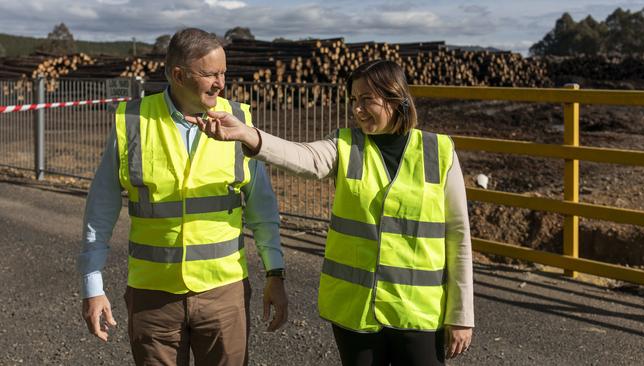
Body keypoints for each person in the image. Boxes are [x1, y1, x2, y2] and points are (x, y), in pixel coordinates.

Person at [187, 59, 474, 365]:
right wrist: (248, 135)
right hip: (356, 313)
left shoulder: (439, 153)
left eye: (367, 100)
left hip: (418, 313)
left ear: (395, 97)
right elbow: (303, 157)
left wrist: (461, 314)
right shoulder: (346, 146)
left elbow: (459, 237)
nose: (357, 109)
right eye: (354, 100)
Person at [77, 28, 288, 366]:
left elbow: (262, 208)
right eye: (211, 74)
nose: (221, 83)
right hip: (152, 297)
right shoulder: (132, 121)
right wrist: (92, 284)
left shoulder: (239, 121)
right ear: (178, 74)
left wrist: (275, 273)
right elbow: (99, 212)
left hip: (224, 293)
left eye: (223, 72)